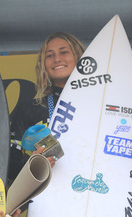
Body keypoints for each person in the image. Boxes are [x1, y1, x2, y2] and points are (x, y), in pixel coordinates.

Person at [8, 32, 85, 182]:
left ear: (80, 57)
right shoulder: (30, 109)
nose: (57, 59)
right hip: (48, 192)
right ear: (43, 64)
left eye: (64, 52)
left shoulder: (100, 104)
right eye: (49, 55)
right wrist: (33, 165)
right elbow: (9, 164)